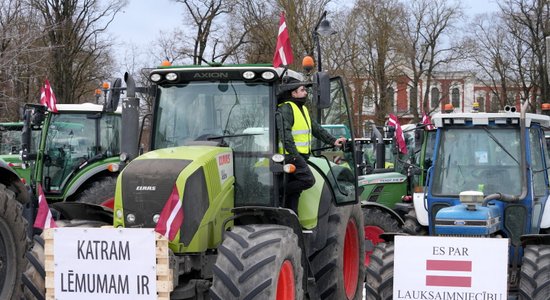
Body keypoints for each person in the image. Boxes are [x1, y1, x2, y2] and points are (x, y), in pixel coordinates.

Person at [276, 77, 347, 213]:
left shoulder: (302, 109)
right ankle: (278, 190)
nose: (306, 93)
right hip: (291, 156)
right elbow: (286, 135)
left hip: (299, 156)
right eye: (302, 90)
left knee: (295, 194)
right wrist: (295, 155)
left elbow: (316, 129)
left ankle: (292, 219)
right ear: (293, 93)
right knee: (308, 180)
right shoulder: (286, 109)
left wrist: (333, 141)